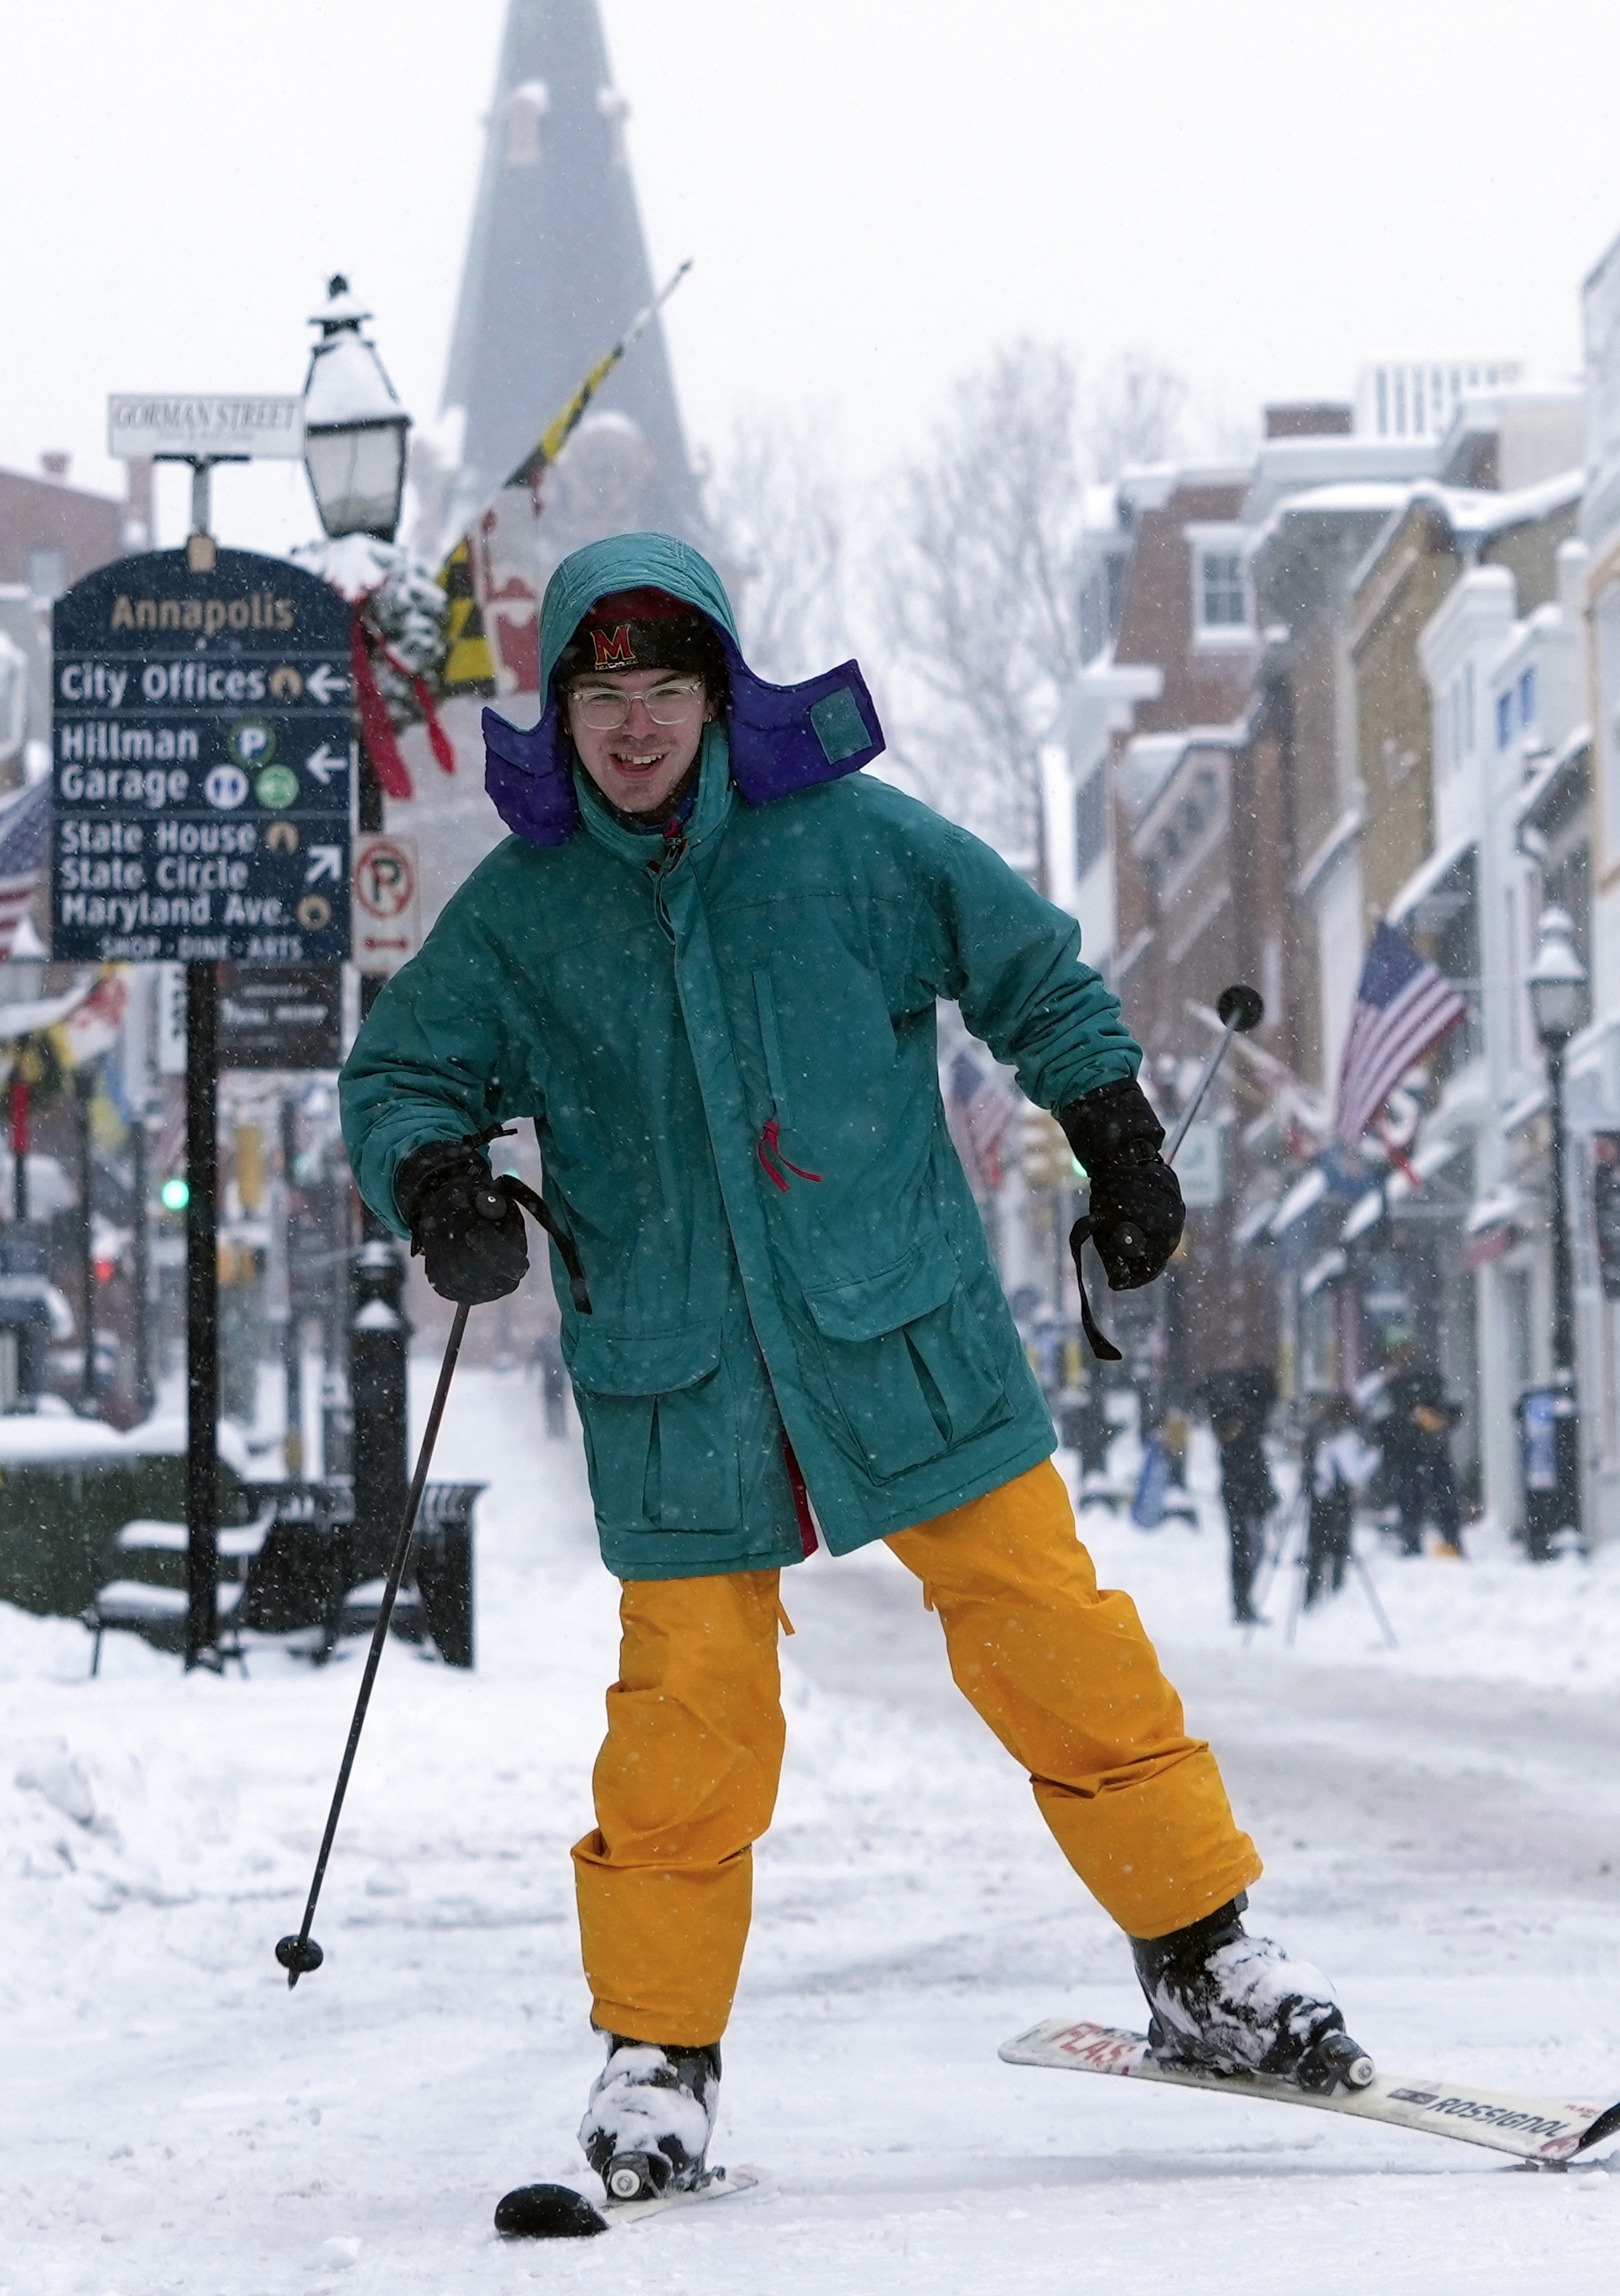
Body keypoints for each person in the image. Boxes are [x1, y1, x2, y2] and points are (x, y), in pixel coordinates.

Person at [342, 535, 1373, 2207]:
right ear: (565, 709)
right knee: (686, 1706)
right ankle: (657, 2054)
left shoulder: (851, 847)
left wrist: (1110, 1130)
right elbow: (399, 1073)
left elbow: (1031, 965)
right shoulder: (527, 916)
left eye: (665, 688)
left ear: (718, 693)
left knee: (1050, 1629)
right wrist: (439, 1180)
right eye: (602, 693)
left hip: (901, 1326)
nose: (634, 724)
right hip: (674, 1371)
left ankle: (1200, 1957)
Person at [1202, 1367, 1279, 1625]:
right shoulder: (1240, 1434)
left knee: (1248, 1549)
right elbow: (1246, 1467)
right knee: (1246, 1550)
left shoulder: (1243, 1434)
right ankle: (1242, 1602)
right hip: (1243, 1498)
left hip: (1246, 1497)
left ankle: (1243, 1601)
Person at [1300, 1396, 1376, 1609]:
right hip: (1336, 1495)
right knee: (1335, 1548)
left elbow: (1310, 1457)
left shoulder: (1324, 1429)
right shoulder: (1348, 1434)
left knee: (1319, 1549)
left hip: (1325, 1496)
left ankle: (1314, 1596)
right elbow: (1354, 1470)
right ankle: (1331, 1592)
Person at [1387, 1361, 1467, 1559]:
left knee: (1440, 1502)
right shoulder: (1402, 1408)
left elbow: (1454, 1414)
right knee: (1417, 1502)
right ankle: (1417, 1543)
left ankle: (1446, 1543)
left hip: (1428, 1459)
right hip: (1413, 1459)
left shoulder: (1435, 1408)